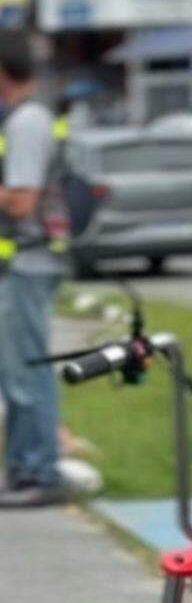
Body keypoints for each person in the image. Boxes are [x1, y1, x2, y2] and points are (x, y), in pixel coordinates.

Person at [0, 31, 69, 509]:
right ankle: (24, 469)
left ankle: (41, 472)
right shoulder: (29, 117)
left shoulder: (26, 122)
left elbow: (22, 202)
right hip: (25, 261)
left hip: (30, 261)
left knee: (26, 372)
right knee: (17, 370)